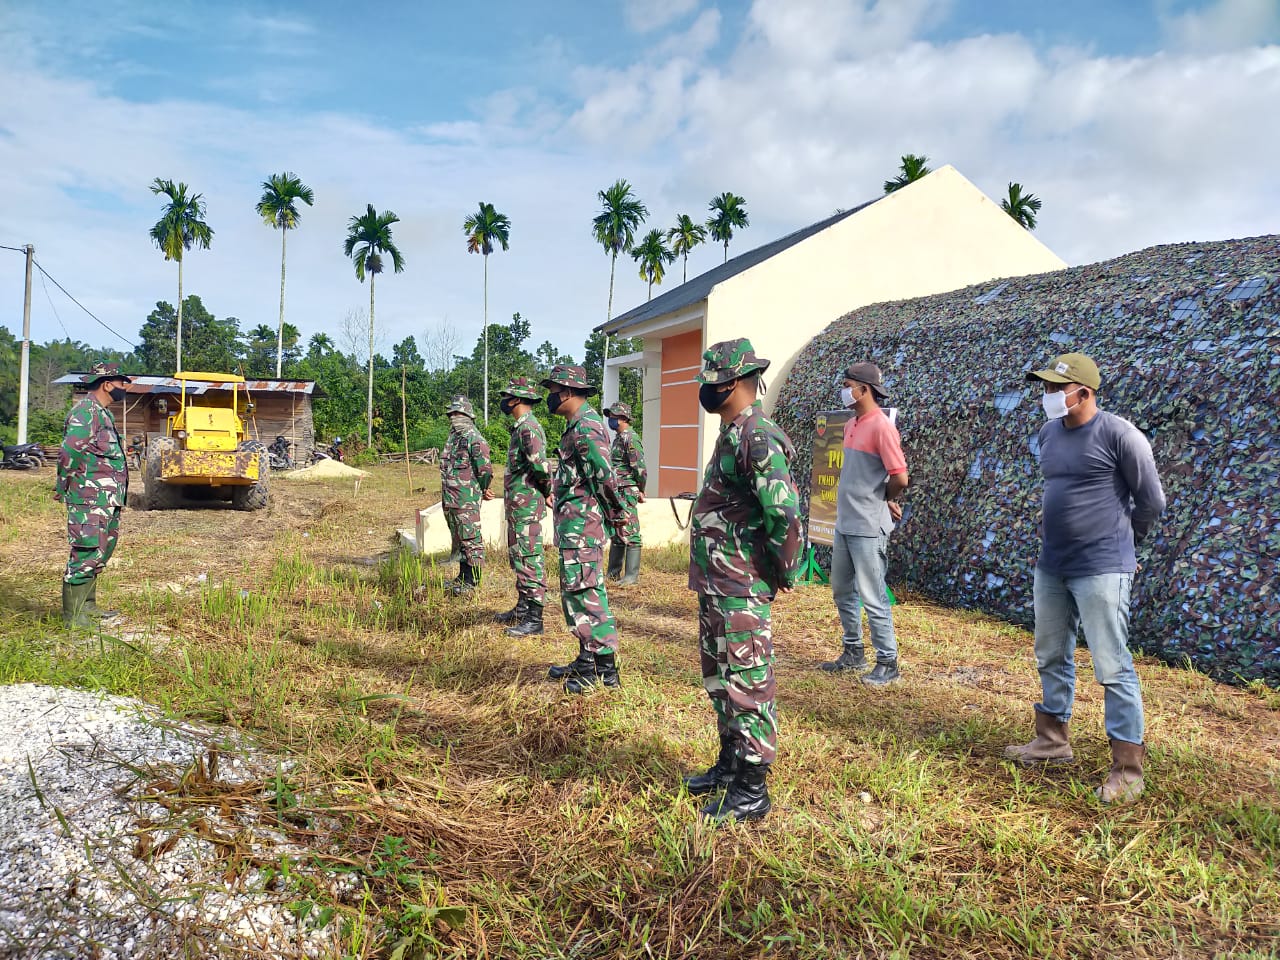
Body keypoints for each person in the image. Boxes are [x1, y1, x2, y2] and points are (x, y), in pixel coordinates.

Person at [1006, 352, 1166, 804]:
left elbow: (1151, 501)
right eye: (1046, 388)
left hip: (1102, 566)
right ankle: (1053, 739)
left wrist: (1124, 546)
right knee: (1050, 652)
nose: (1049, 396)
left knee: (1112, 665)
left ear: (1084, 393)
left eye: (1057, 389)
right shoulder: (1049, 434)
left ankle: (1128, 769)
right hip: (1053, 564)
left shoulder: (1120, 435)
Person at [683, 338, 802, 824]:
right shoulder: (733, 432)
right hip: (718, 581)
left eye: (711, 383)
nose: (705, 391)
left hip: (740, 584)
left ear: (732, 383)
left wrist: (779, 570)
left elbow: (785, 513)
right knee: (721, 677)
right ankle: (731, 765)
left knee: (747, 681)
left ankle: (752, 789)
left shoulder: (757, 434)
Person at [819, 362, 909, 686]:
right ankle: (853, 652)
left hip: (868, 527)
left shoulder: (882, 426)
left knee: (872, 596)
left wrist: (882, 497)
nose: (844, 391)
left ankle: (888, 661)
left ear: (864, 390)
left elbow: (900, 476)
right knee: (842, 590)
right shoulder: (852, 424)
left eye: (847, 385)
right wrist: (881, 495)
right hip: (845, 523)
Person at [541, 365, 627, 694]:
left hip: (583, 528)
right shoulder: (577, 425)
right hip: (574, 527)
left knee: (587, 594)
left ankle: (602, 671)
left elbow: (605, 476)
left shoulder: (587, 426)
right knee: (577, 594)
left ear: (566, 392)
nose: (549, 396)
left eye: (552, 390)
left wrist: (616, 514)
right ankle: (586, 658)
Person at [56, 361, 132, 628]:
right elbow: (69, 450)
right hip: (88, 498)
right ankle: (74, 617)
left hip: (105, 499)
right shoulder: (86, 412)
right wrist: (63, 482)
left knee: (101, 550)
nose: (125, 388)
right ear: (107, 384)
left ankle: (87, 606)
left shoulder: (101, 412)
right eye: (122, 383)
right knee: (87, 550)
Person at [494, 377, 552, 637]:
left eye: (507, 397)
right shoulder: (520, 427)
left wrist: (548, 491)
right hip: (519, 506)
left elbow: (540, 466)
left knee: (530, 559)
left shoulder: (528, 428)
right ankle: (522, 607)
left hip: (527, 506)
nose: (504, 401)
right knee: (519, 557)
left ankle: (534, 618)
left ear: (516, 399)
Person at [439, 395, 493, 595]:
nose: (454, 417)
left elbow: (485, 470)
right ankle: (462, 577)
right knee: (460, 540)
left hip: (466, 499)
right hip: (451, 499)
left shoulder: (475, 439)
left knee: (471, 539)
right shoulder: (453, 438)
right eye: (451, 413)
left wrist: (483, 488)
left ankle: (473, 581)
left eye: (458, 413)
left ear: (468, 415)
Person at [603, 401, 647, 586]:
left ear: (622, 418)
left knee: (631, 531)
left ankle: (631, 576)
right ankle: (613, 573)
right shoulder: (618, 437)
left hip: (627, 490)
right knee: (617, 530)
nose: (610, 420)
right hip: (616, 490)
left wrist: (640, 489)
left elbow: (640, 468)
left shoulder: (631, 438)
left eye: (613, 417)